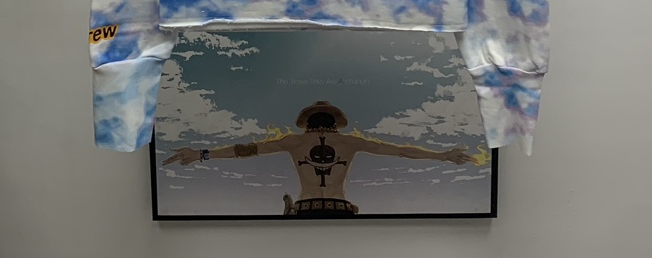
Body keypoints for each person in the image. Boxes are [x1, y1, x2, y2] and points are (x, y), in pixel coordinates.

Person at [163, 100, 471, 217]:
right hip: (340, 209)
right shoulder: (350, 142)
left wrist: (201, 154)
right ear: (335, 122)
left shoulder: (293, 141)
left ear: (306, 122)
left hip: (306, 209)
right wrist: (443, 155)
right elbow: (401, 150)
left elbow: (245, 150)